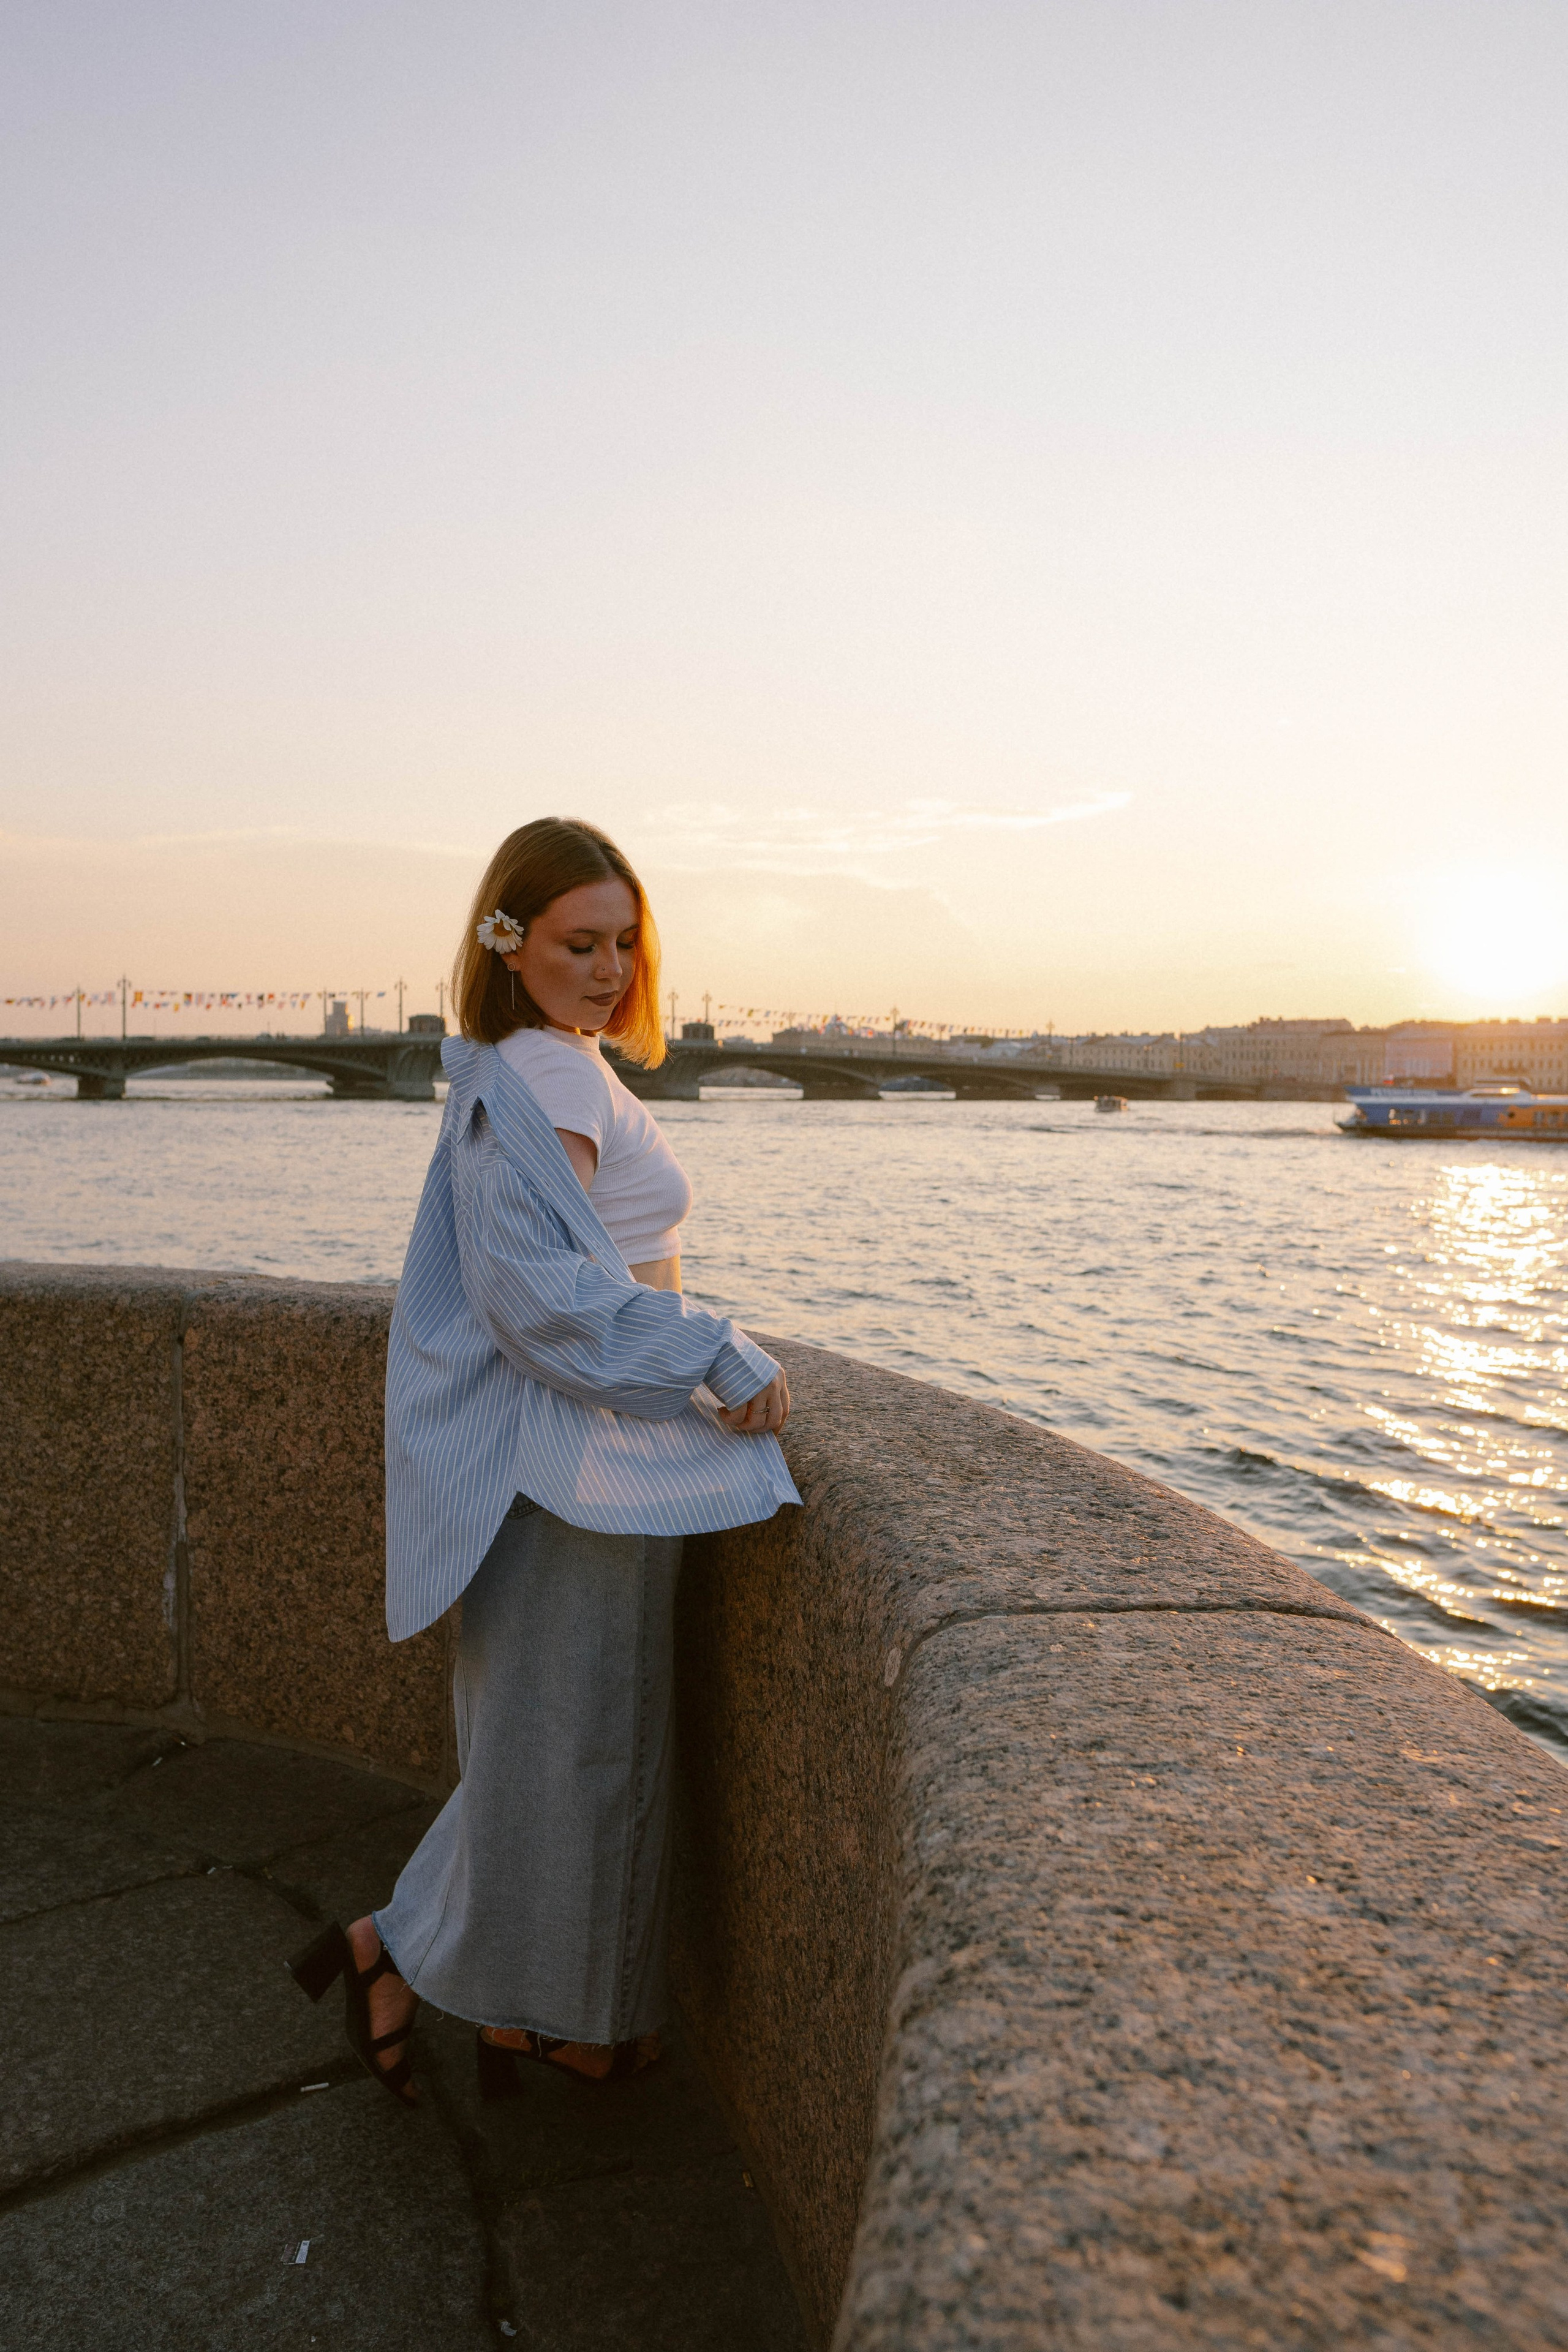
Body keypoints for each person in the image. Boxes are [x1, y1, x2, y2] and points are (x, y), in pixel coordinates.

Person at [287, 816, 798, 2098]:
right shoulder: (546, 1076)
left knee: (550, 1742)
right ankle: (505, 1996)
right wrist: (714, 1350)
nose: (610, 966)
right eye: (580, 941)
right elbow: (544, 1295)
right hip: (581, 1463)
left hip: (566, 1455)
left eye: (625, 941)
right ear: (510, 946)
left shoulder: (529, 1066)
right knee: (579, 1747)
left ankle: (498, 2000)